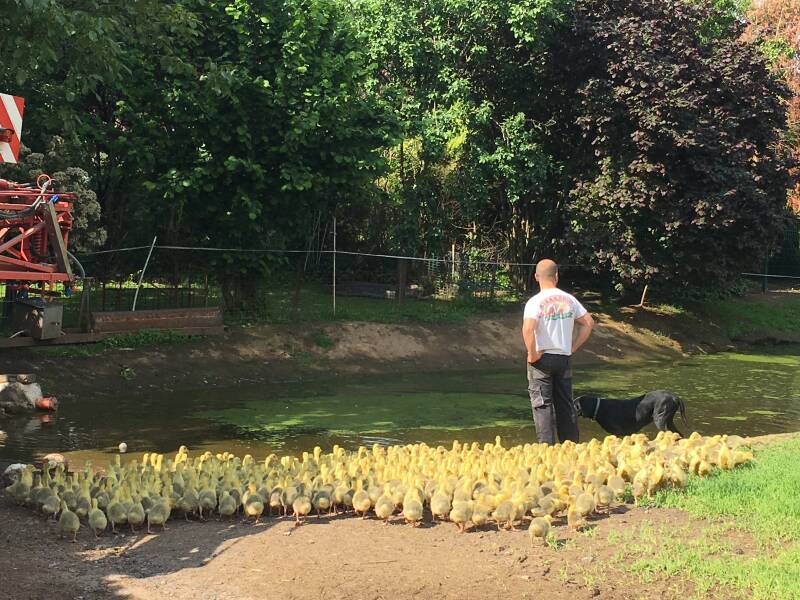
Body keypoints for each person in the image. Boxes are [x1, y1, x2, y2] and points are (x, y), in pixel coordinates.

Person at [521, 259, 595, 444]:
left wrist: (532, 354)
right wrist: (573, 348)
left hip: (542, 359)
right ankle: (571, 446)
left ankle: (547, 450)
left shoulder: (535, 302)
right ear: (556, 276)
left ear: (536, 276)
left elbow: (528, 329)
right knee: (565, 404)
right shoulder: (569, 299)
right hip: (563, 358)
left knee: (543, 406)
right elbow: (588, 323)